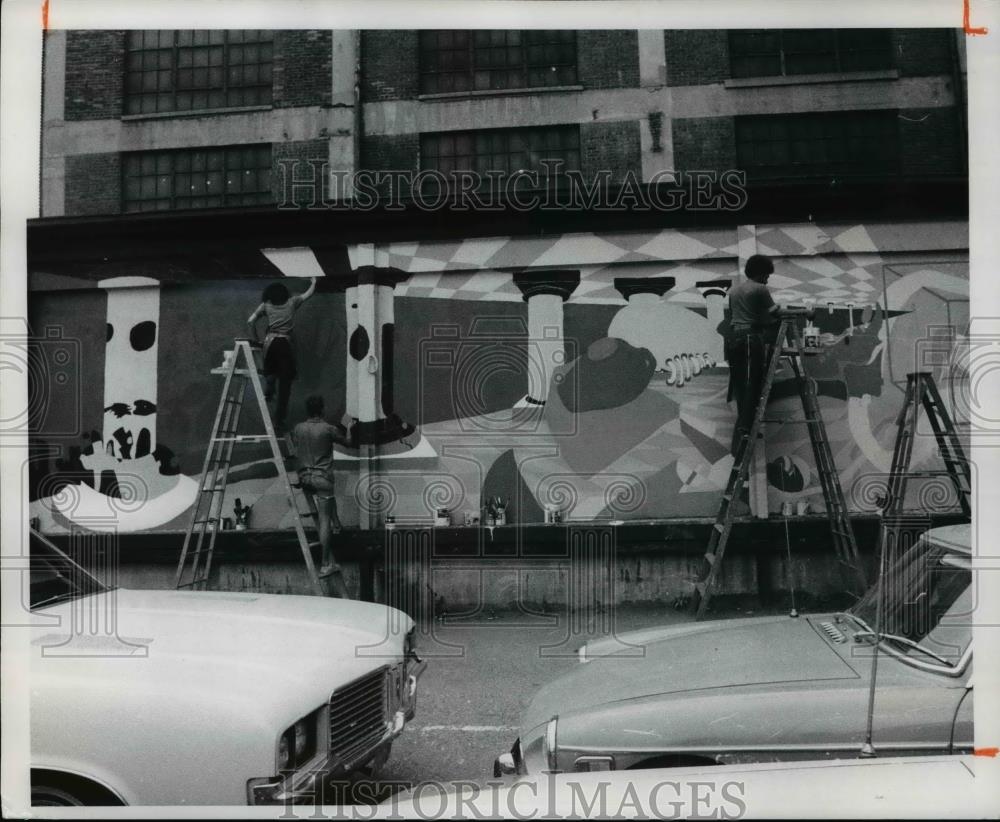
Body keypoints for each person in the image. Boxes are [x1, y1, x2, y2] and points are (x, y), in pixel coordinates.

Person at [290, 395, 353, 599]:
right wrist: (350, 427)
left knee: (329, 505)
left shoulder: (298, 428)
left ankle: (337, 523)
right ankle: (326, 563)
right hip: (322, 478)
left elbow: (294, 443)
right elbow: (349, 442)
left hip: (304, 477)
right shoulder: (328, 429)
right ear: (322, 409)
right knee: (323, 517)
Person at [725, 254, 780, 457]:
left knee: (740, 385)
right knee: (752, 382)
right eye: (766, 275)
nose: (767, 279)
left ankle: (744, 427)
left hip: (734, 339)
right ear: (760, 273)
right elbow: (775, 314)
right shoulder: (760, 289)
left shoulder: (734, 291)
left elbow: (736, 316)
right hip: (750, 339)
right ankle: (746, 428)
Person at [247, 277, 316, 431]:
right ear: (285, 293)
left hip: (270, 344)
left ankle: (269, 390)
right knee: (285, 386)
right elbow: (308, 294)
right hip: (285, 345)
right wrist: (314, 282)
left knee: (270, 373)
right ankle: (279, 420)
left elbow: (250, 321)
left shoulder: (266, 306)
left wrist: (256, 339)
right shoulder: (292, 303)